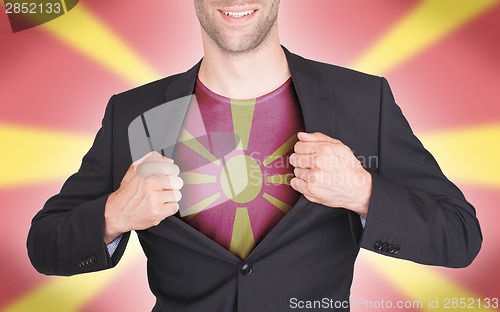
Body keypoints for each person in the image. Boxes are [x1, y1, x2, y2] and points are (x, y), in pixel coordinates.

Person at [27, 1, 482, 311]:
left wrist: (363, 192)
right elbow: (44, 245)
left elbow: (461, 236)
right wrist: (114, 215)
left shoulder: (363, 100)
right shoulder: (135, 113)